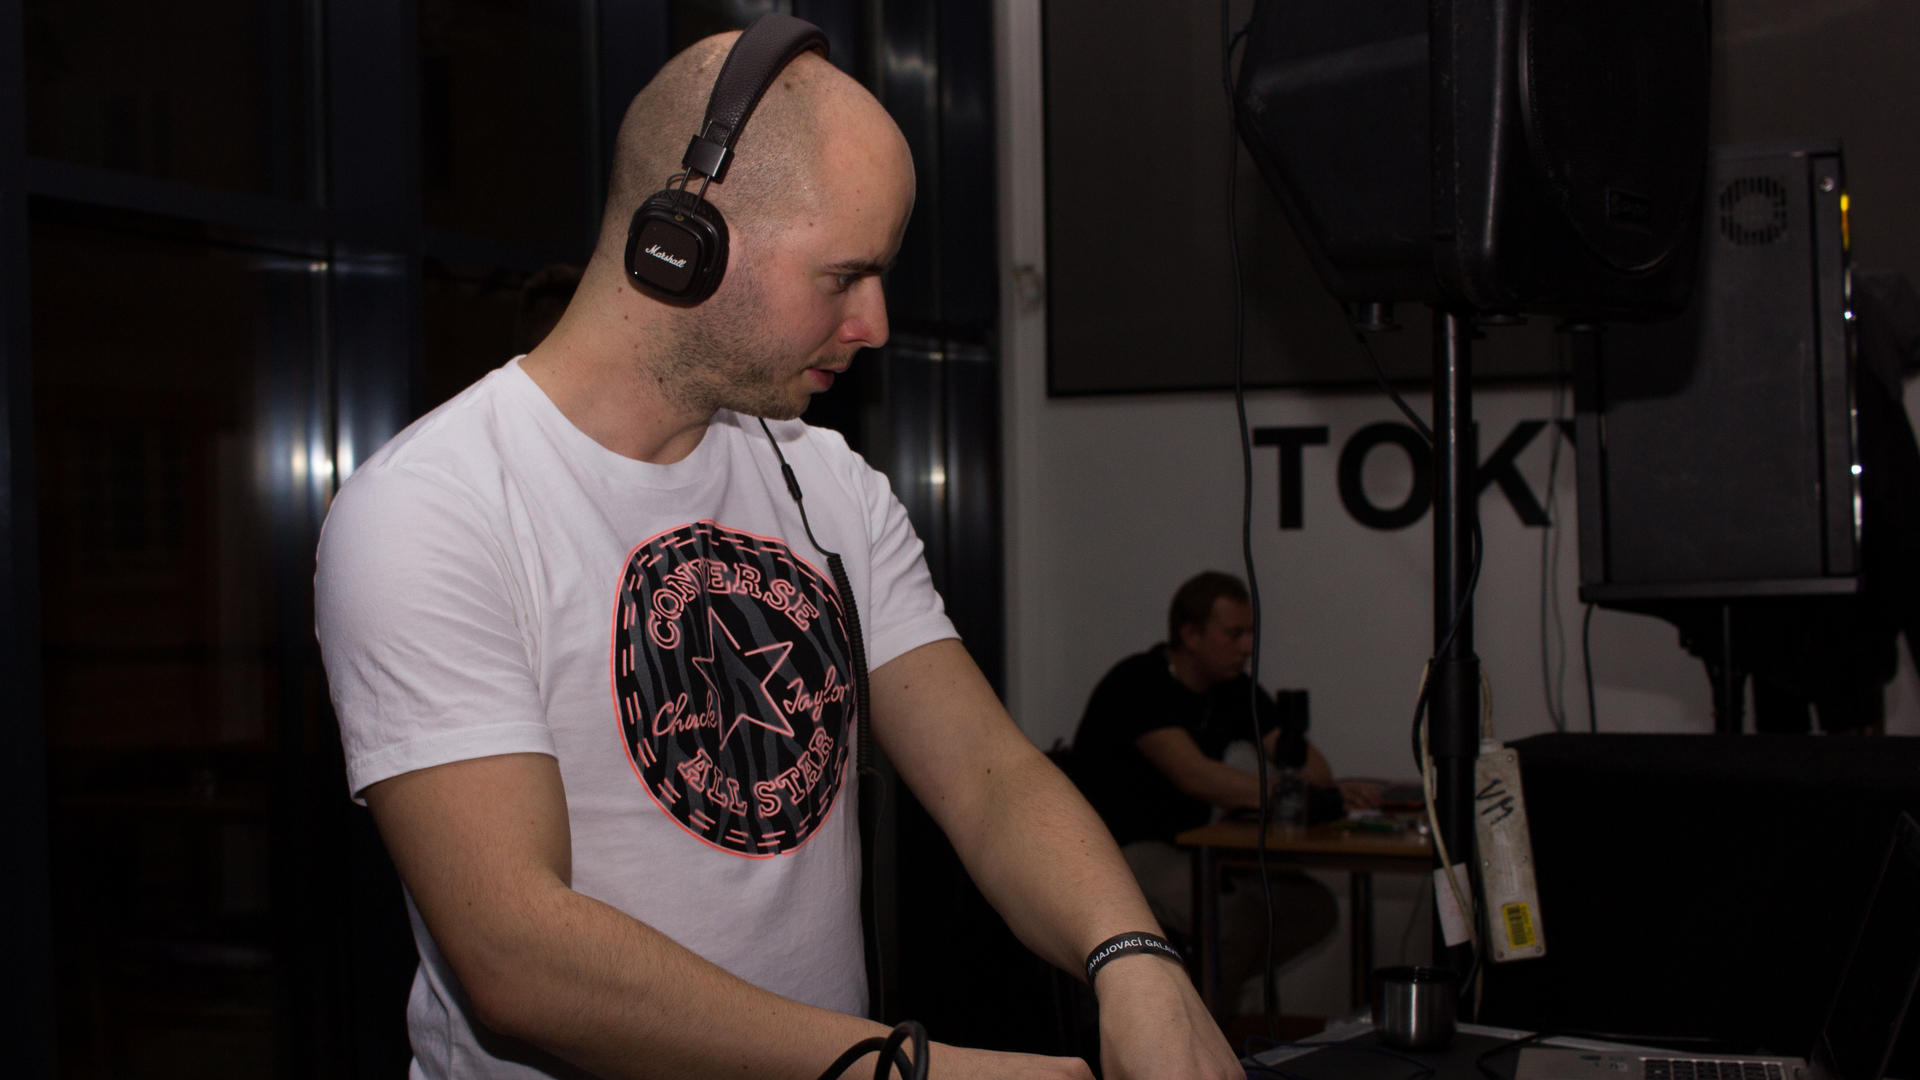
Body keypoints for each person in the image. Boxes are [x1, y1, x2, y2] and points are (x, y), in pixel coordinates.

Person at [314, 22, 1239, 1080]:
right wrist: (915, 1071)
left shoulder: (830, 482)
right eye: (845, 275)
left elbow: (988, 778)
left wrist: (1132, 960)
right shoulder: (433, 508)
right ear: (683, 244)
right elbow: (518, 954)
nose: (875, 322)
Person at [1067, 572, 1380, 1014]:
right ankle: (1196, 1027)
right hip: (1117, 851)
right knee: (1235, 919)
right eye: (1234, 634)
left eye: (1250, 633)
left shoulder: (1233, 690)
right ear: (1190, 635)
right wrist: (1293, 795)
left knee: (1312, 907)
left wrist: (1317, 785)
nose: (1247, 647)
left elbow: (1314, 770)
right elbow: (1196, 776)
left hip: (1192, 848)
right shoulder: (1139, 682)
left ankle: (1200, 996)